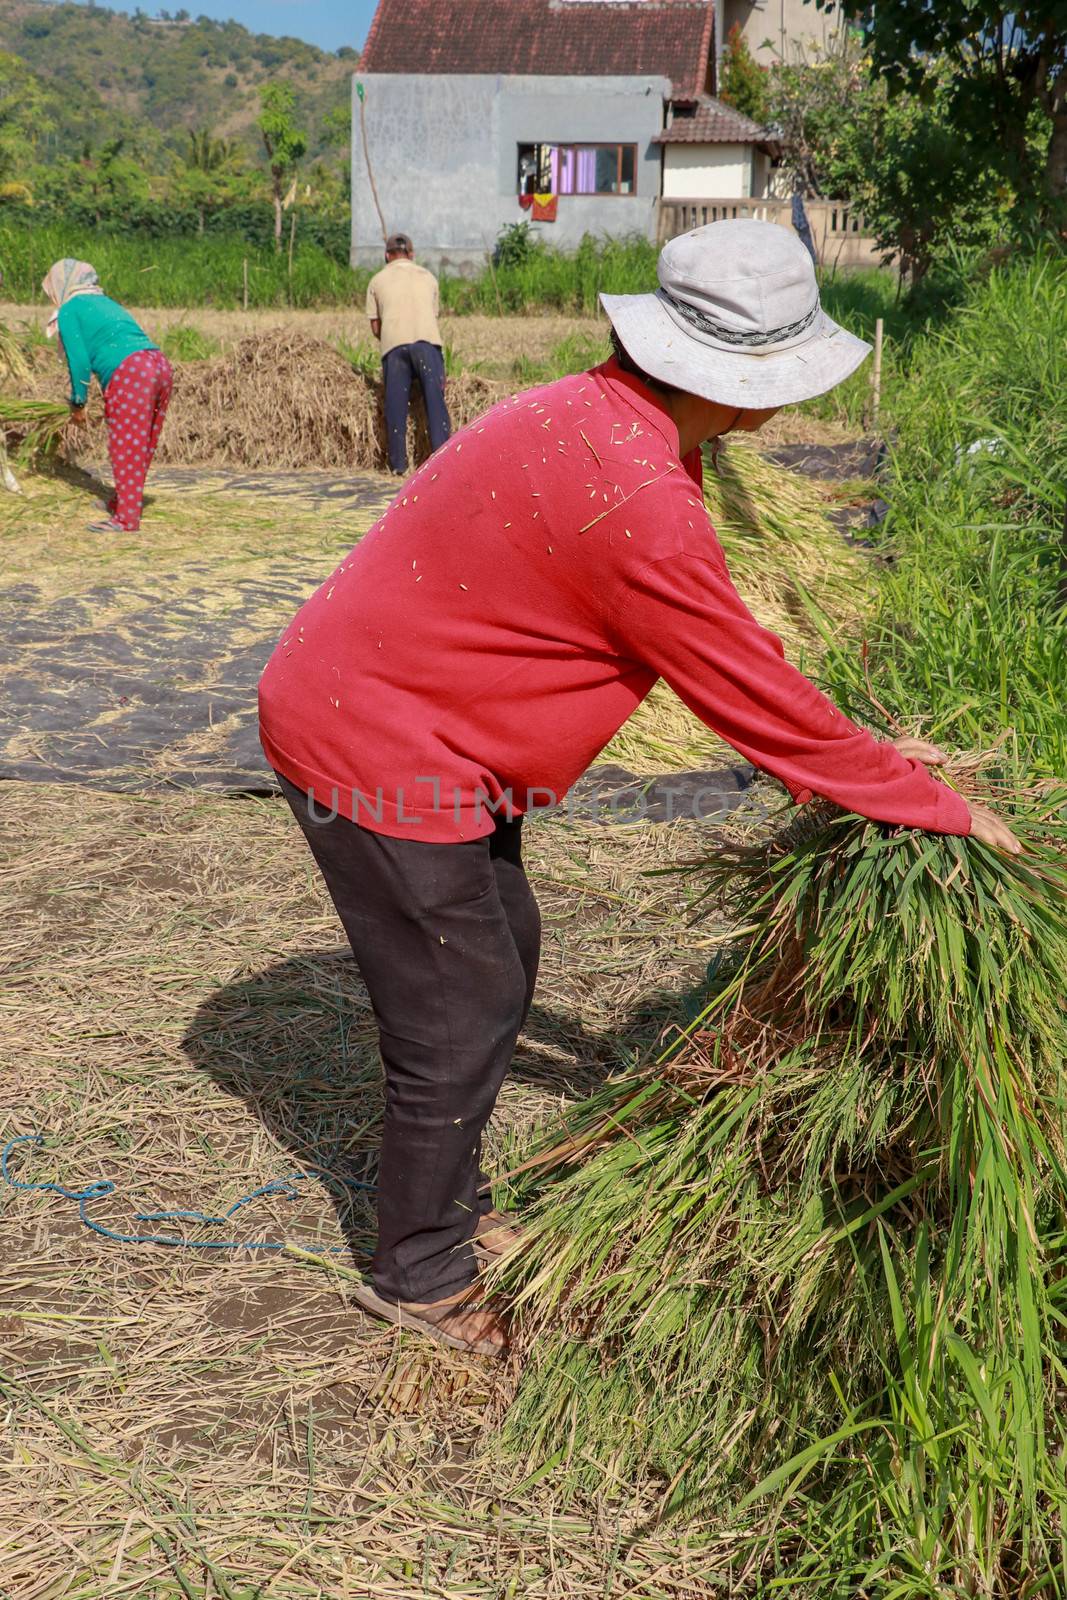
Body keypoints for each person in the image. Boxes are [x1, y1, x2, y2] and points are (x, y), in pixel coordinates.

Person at [259, 220, 1020, 1359]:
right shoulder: (640, 502)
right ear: (748, 377)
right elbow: (752, 699)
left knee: (498, 945)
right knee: (455, 1013)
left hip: (413, 708)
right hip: (380, 743)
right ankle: (419, 1273)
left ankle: (449, 1212)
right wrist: (928, 800)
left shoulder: (588, 409)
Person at [42, 259, 173, 535]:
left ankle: (126, 520)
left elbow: (79, 362)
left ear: (60, 285)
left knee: (124, 445)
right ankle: (126, 502)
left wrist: (78, 403)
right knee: (142, 443)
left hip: (132, 372)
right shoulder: (106, 303)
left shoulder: (70, 309)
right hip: (159, 365)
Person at [366, 233, 451, 476]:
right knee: (436, 404)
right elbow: (433, 315)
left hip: (395, 348)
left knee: (395, 407)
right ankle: (442, 463)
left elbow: (375, 327)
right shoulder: (428, 277)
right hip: (428, 345)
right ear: (411, 255)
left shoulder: (377, 280)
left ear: (386, 255)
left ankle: (398, 466)